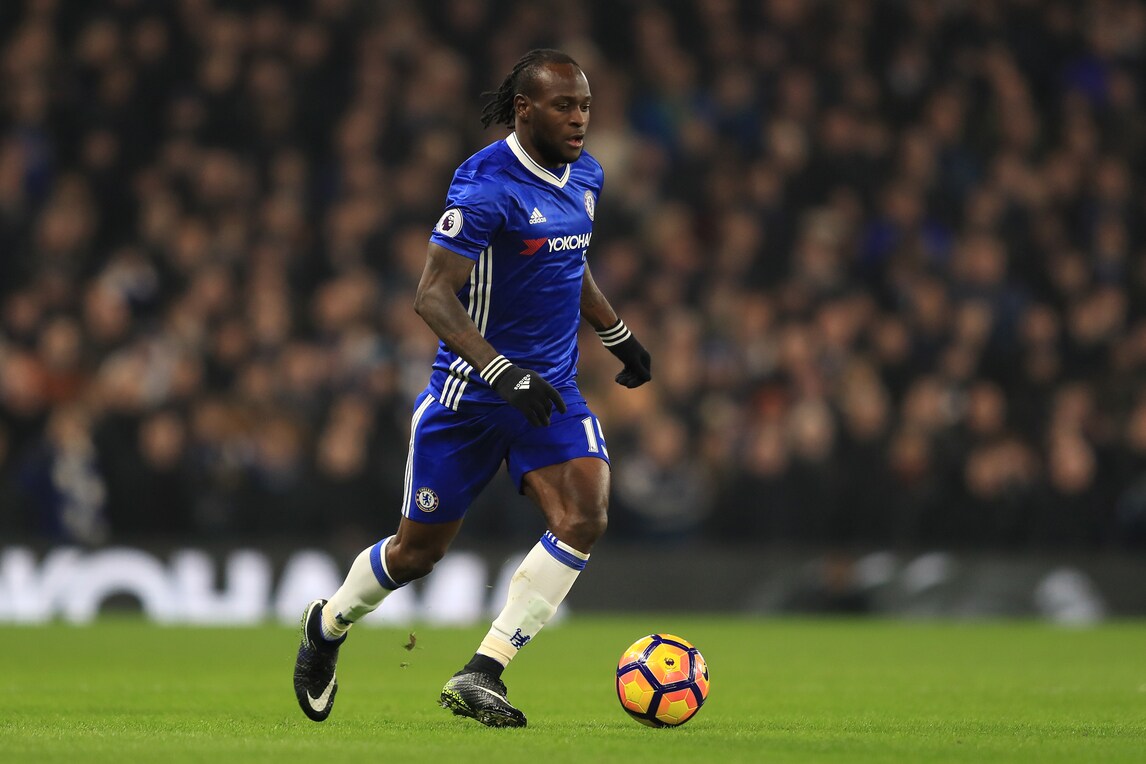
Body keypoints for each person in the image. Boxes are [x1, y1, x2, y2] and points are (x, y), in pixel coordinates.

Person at [292, 49, 652, 728]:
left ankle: (483, 671)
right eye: (564, 106)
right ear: (524, 109)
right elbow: (431, 295)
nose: (579, 119)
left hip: (547, 390)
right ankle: (327, 625)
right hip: (470, 398)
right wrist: (500, 370)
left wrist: (615, 333)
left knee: (585, 515)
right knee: (416, 554)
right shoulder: (486, 186)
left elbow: (570, 259)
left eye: (585, 106)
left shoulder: (587, 173)